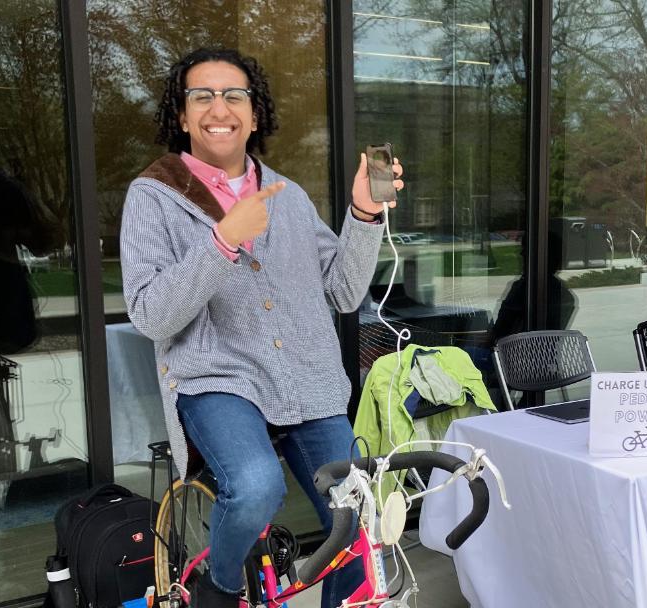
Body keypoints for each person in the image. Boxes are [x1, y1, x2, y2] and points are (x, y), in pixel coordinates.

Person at [119, 48, 403, 607]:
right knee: (254, 487)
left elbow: (344, 292)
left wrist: (365, 215)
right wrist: (222, 241)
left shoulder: (288, 195)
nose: (217, 107)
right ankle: (217, 587)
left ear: (254, 114)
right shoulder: (151, 197)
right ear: (181, 115)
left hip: (306, 377)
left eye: (233, 95)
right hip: (218, 378)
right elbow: (151, 313)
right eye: (201, 95)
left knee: (356, 512)